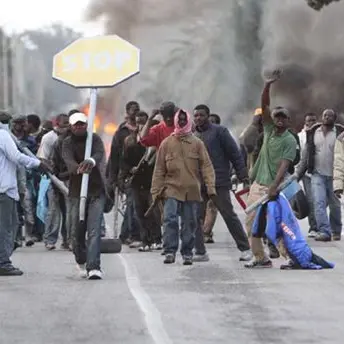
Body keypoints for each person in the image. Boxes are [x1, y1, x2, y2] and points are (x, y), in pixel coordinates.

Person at [245, 69, 297, 268]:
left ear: (288, 120)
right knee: (251, 223)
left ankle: (291, 257)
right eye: (277, 116)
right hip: (259, 184)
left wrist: (275, 187)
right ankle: (260, 257)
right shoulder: (268, 130)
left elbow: (285, 165)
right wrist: (267, 85)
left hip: (278, 187)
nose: (280, 119)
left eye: (284, 117)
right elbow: (264, 105)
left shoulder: (289, 140)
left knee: (279, 224)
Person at [151, 109, 216, 265]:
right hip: (171, 189)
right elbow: (159, 169)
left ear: (187, 121)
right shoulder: (167, 143)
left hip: (191, 190)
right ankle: (169, 251)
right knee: (169, 219)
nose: (181, 122)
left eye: (183, 119)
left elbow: (207, 166)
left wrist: (210, 187)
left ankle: (187, 253)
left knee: (189, 222)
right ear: (175, 121)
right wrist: (155, 191)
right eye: (178, 119)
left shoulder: (197, 143)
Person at [194, 104, 252, 262]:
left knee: (229, 215)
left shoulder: (220, 132)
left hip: (218, 181)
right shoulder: (192, 134)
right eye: (196, 115)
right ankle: (200, 251)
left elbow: (235, 153)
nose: (198, 118)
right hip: (198, 183)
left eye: (201, 115)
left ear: (208, 116)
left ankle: (246, 249)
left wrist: (242, 174)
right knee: (195, 217)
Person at [0, 123, 50, 275]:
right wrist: (38, 163)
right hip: (4, 190)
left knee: (11, 227)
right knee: (7, 229)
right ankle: (3, 263)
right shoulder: (3, 136)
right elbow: (16, 156)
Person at [62, 112, 107, 280]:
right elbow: (68, 160)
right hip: (76, 193)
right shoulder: (67, 142)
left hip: (95, 191)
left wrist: (91, 162)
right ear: (71, 127)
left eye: (82, 124)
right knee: (76, 231)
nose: (79, 127)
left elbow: (98, 153)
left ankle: (94, 266)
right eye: (76, 124)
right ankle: (81, 259)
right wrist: (77, 168)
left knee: (94, 230)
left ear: (86, 125)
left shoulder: (94, 139)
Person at [297, 109, 343, 241]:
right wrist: (298, 175)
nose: (327, 117)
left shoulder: (340, 134)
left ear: (334, 119)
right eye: (325, 115)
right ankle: (324, 231)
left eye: (330, 116)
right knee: (318, 202)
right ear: (321, 117)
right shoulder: (312, 133)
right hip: (317, 174)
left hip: (335, 175)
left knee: (334, 205)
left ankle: (335, 230)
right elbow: (306, 156)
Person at [107, 101, 140, 247]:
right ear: (127, 112)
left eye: (137, 110)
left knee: (136, 204)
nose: (135, 113)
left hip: (143, 172)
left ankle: (128, 234)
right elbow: (114, 156)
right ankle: (131, 234)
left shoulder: (145, 129)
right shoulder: (121, 132)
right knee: (133, 202)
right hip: (126, 174)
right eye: (133, 110)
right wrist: (111, 178)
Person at [37, 114, 70, 250]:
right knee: (54, 210)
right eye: (64, 124)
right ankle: (50, 240)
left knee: (69, 211)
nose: (66, 126)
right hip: (54, 178)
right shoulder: (48, 138)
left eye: (68, 124)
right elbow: (43, 159)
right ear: (57, 124)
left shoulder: (71, 138)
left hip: (69, 178)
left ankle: (68, 240)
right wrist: (53, 176)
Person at [298, 113, 318, 237]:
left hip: (320, 171)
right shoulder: (300, 136)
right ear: (305, 122)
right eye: (309, 120)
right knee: (311, 200)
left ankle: (322, 224)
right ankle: (314, 227)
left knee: (321, 201)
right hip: (306, 174)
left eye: (313, 120)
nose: (311, 122)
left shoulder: (320, 134)